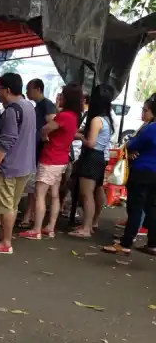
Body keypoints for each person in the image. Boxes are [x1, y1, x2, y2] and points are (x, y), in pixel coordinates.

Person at [20, 83, 82, 240]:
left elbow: (46, 128)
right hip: (61, 159)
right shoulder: (74, 116)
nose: (59, 98)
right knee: (54, 195)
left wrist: (44, 136)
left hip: (50, 158)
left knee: (39, 194)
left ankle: (36, 229)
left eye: (61, 95)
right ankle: (50, 227)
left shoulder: (64, 115)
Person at [0, 73, 37, 254]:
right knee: (12, 206)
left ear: (6, 90)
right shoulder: (29, 107)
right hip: (26, 166)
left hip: (10, 167)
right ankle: (5, 239)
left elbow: (6, 142)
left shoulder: (11, 111)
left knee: (6, 206)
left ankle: (5, 243)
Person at [103, 96, 156, 255]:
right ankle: (152, 243)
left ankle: (126, 243)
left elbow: (132, 143)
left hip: (143, 170)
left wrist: (132, 145)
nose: (143, 114)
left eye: (145, 110)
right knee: (152, 207)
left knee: (136, 207)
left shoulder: (150, 128)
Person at [69, 84, 114, 238]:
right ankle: (88, 224)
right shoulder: (107, 119)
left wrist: (81, 137)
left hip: (92, 156)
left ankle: (86, 228)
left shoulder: (96, 120)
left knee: (87, 194)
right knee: (91, 192)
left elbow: (91, 142)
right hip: (100, 157)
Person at [20, 79, 57, 227]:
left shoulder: (47, 105)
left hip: (43, 152)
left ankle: (30, 217)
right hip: (36, 150)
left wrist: (44, 136)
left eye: (29, 89)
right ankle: (28, 216)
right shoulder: (39, 106)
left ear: (38, 89)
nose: (27, 92)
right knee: (33, 187)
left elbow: (52, 124)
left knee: (36, 187)